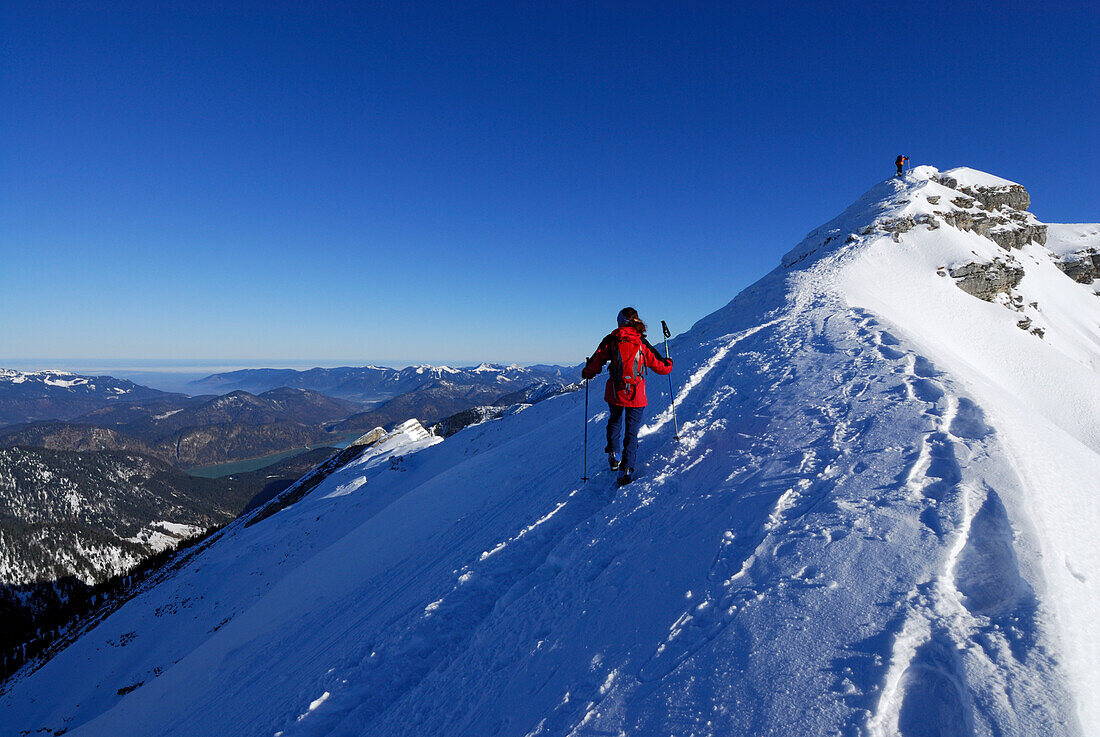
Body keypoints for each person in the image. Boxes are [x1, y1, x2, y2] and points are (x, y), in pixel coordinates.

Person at [581, 307, 672, 486]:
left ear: (619, 322)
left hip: (615, 391)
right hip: (636, 394)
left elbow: (597, 360)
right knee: (632, 431)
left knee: (615, 420)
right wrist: (668, 363)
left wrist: (587, 372)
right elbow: (662, 367)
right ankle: (627, 468)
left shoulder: (612, 339)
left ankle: (613, 454)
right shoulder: (641, 342)